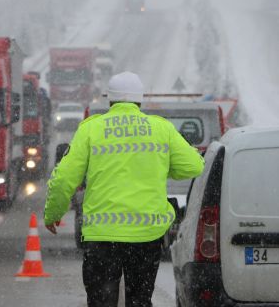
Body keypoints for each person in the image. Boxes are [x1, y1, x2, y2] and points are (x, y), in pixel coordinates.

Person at [44, 71, 204, 307]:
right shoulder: (161, 129)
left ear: (111, 100)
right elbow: (194, 165)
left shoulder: (91, 129)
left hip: (102, 237)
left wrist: (54, 213)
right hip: (146, 235)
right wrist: (157, 167)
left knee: (101, 301)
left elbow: (63, 178)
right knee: (139, 300)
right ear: (140, 100)